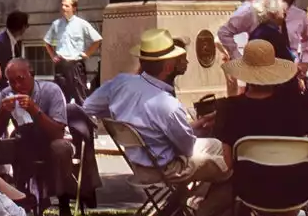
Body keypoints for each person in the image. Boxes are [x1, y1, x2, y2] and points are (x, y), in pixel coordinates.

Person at [83, 29, 225, 193]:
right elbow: (187, 149)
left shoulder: (120, 83)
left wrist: (120, 118)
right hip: (165, 170)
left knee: (215, 145)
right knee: (227, 164)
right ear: (169, 66)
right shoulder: (168, 105)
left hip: (138, 166)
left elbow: (89, 107)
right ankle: (199, 209)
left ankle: (185, 206)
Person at [217, 40, 308, 216]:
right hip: (294, 190)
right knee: (293, 177)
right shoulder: (295, 107)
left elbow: (228, 159)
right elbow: (307, 152)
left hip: (248, 188)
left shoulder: (231, 109)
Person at [0, 59, 74, 216]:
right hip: (23, 141)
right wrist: (4, 113)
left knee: (60, 148)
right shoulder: (7, 94)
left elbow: (57, 133)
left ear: (31, 75)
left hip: (50, 141)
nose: (17, 86)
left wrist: (34, 109)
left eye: (21, 79)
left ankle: (64, 203)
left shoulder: (51, 91)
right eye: (12, 82)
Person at [43, 0, 102, 105]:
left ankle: (84, 119)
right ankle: (62, 120)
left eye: (67, 5)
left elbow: (97, 39)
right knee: (60, 98)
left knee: (80, 97)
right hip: (61, 65)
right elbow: (47, 42)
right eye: (62, 5)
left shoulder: (81, 24)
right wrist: (52, 56)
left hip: (75, 66)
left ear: (74, 8)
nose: (63, 8)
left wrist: (87, 54)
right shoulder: (56, 24)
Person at [0, 11, 28, 91]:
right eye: (26, 26)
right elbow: (1, 73)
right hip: (2, 90)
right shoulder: (0, 44)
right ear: (22, 27)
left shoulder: (13, 42)